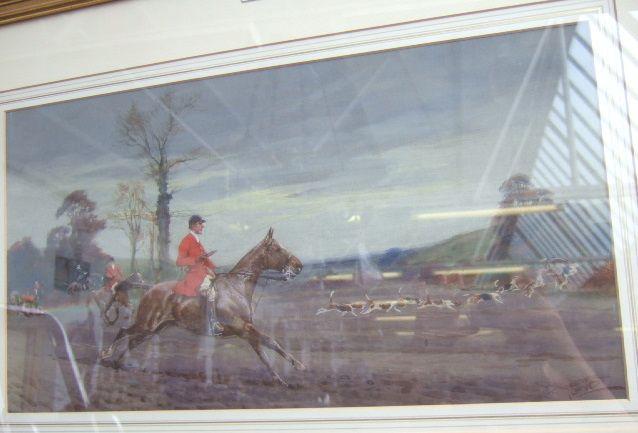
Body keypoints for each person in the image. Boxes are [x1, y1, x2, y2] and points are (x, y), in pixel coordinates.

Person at [173, 215, 221, 335]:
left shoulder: (197, 241)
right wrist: (195, 259)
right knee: (210, 291)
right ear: (193, 225)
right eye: (200, 224)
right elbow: (179, 261)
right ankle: (211, 323)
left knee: (219, 285)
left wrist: (213, 269)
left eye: (201, 224)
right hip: (194, 275)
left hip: (203, 272)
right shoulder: (186, 240)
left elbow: (205, 260)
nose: (202, 226)